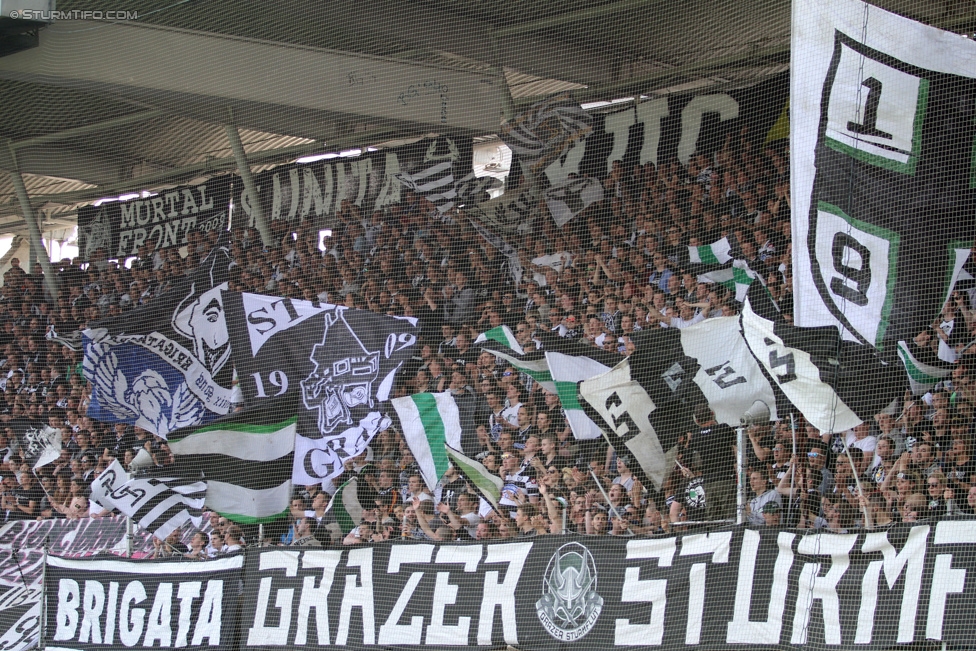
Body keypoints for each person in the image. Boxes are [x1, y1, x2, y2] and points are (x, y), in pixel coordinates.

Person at [688, 405, 736, 520]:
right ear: (713, 414)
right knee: (730, 516)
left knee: (714, 518)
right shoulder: (723, 428)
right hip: (726, 478)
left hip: (708, 482)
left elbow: (691, 459)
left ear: (697, 420)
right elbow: (735, 447)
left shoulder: (695, 436)